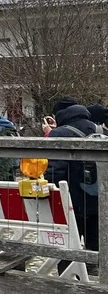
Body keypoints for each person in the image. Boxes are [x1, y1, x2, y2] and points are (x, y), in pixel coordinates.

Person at [45, 100, 99, 259]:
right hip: (98, 195)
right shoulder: (99, 128)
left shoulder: (59, 133)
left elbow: (56, 167)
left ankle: (70, 270)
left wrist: (48, 186)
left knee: (70, 240)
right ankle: (94, 266)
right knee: (95, 235)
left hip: (72, 197)